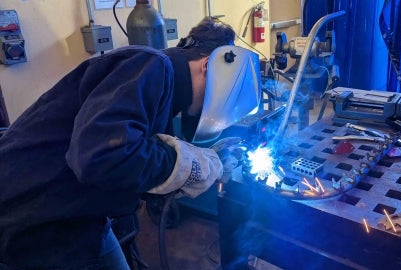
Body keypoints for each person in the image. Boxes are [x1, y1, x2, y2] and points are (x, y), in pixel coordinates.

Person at [0, 17, 237, 269]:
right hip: (35, 223)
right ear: (209, 64)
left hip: (78, 213)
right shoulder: (150, 64)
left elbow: (128, 161)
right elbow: (102, 155)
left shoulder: (160, 87)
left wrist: (188, 169)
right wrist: (186, 164)